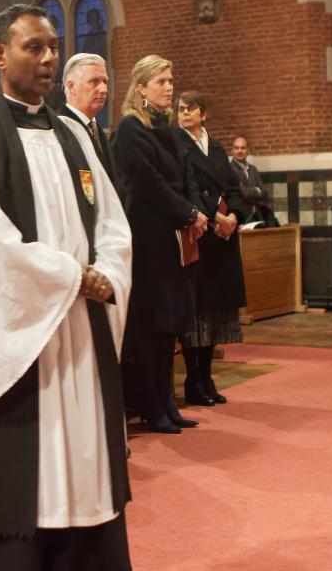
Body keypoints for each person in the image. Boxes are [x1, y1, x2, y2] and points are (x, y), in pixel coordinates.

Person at [0, 3, 133, 569]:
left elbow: (111, 220)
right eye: (33, 48)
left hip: (78, 330)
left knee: (81, 464)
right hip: (13, 337)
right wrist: (67, 275)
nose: (47, 58)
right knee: (11, 469)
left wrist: (108, 272)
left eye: (53, 47)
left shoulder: (74, 136)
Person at [110, 54, 209, 434]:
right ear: (141, 89)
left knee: (169, 327)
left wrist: (194, 212)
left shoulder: (166, 129)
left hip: (172, 236)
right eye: (161, 81)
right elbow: (147, 183)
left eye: (170, 80)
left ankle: (168, 402)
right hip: (148, 236)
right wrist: (188, 213)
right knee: (151, 326)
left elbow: (184, 175)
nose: (169, 87)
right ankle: (153, 406)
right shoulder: (130, 130)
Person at [174, 91, 247, 406]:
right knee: (196, 314)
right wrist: (214, 216)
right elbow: (183, 186)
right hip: (199, 233)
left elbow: (234, 187)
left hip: (223, 240)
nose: (184, 113)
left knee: (215, 314)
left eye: (190, 108)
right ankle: (193, 380)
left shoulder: (216, 147)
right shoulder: (176, 144)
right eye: (180, 108)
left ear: (203, 114)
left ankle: (207, 376)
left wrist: (234, 216)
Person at [58, 52, 115, 180]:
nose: (104, 89)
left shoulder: (95, 128)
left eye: (104, 82)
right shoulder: (60, 130)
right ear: (71, 87)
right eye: (94, 81)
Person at [228, 136, 278, 226]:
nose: (239, 151)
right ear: (232, 151)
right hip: (239, 218)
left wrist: (249, 191)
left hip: (256, 216)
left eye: (243, 148)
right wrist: (256, 190)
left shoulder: (253, 169)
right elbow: (241, 192)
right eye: (236, 148)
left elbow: (264, 192)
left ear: (248, 150)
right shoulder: (229, 170)